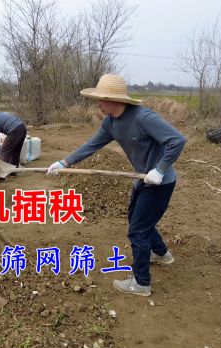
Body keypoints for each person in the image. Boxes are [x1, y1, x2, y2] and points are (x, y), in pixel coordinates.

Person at [47, 74, 187, 297]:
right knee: (137, 221)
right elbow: (92, 144)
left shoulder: (143, 117)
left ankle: (141, 284)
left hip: (159, 182)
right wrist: (65, 162)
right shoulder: (110, 122)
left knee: (138, 231)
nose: (99, 104)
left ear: (115, 100)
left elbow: (177, 140)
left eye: (102, 99)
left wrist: (160, 170)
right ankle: (161, 253)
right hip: (141, 178)